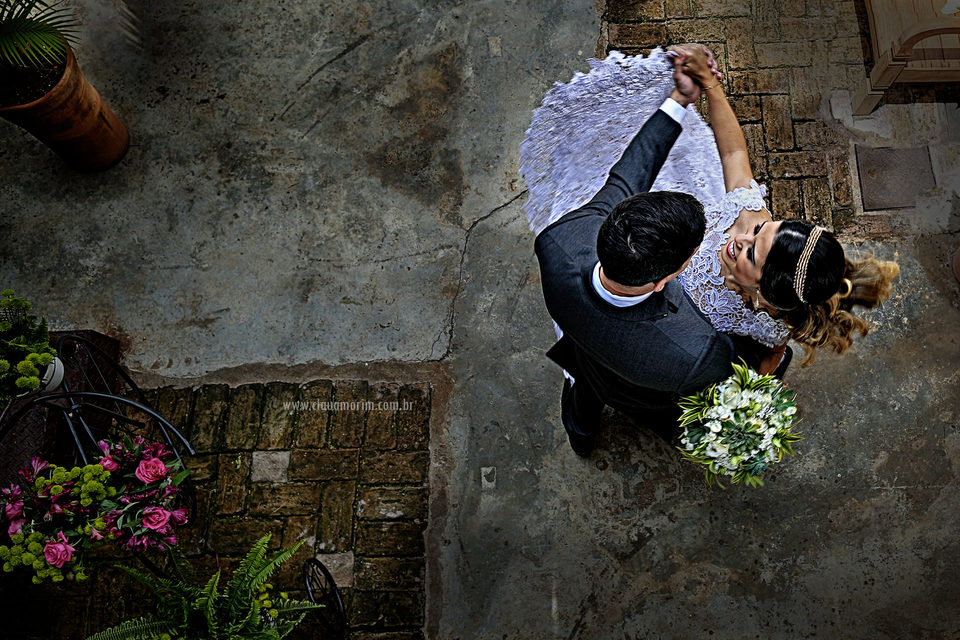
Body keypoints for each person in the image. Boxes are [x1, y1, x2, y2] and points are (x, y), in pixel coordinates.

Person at [524, 45, 898, 456]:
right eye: (762, 230)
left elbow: (758, 361)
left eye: (753, 253)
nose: (741, 237)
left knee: (592, 391)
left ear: (765, 296)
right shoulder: (744, 219)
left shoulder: (749, 334)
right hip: (636, 349)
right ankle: (581, 428)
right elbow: (735, 154)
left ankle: (581, 428)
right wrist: (710, 89)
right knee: (588, 393)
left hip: (634, 359)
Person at [531, 47, 781, 457]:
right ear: (664, 280)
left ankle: (581, 434)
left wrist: (680, 99)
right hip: (642, 388)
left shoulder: (560, 242)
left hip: (583, 349)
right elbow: (747, 364)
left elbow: (629, 174)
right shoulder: (697, 354)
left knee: (583, 395)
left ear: (614, 218)